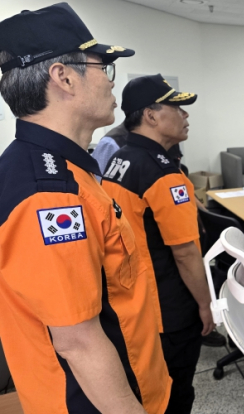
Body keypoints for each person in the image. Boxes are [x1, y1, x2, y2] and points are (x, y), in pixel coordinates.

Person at [0, 4, 171, 413]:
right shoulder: (50, 196)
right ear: (63, 77)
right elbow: (78, 342)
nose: (112, 82)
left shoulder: (64, 168)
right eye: (103, 67)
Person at [101, 74, 215, 413]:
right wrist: (205, 305)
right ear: (151, 116)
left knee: (152, 389)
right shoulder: (163, 174)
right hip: (169, 309)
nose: (185, 115)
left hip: (135, 299)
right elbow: (185, 253)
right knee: (176, 393)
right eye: (177, 108)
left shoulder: (121, 160)